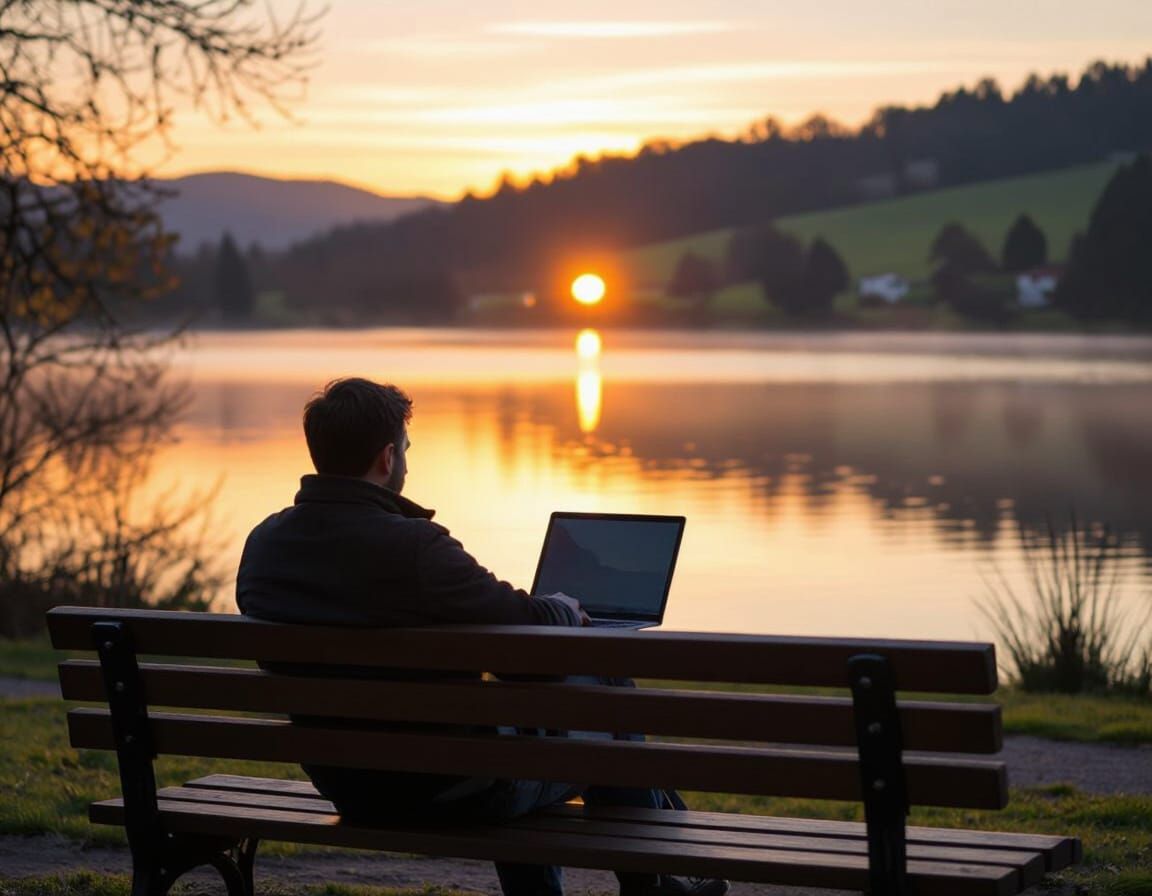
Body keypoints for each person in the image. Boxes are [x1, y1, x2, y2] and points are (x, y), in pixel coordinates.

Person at [236, 377, 728, 896]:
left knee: (530, 741)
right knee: (606, 706)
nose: (405, 461)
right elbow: (527, 653)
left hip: (349, 786)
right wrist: (559, 608)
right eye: (404, 450)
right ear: (385, 458)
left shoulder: (265, 544)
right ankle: (650, 888)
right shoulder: (415, 549)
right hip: (451, 788)